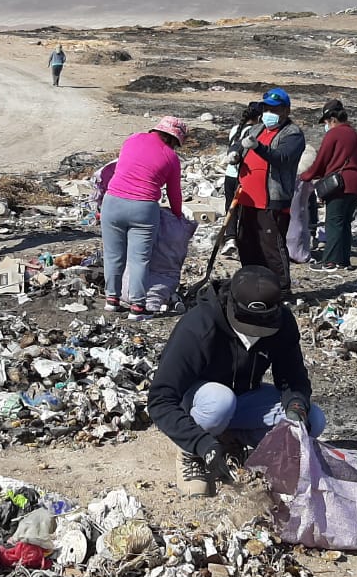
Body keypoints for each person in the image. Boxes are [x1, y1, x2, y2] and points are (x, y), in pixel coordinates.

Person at [149, 266, 326, 497]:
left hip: (244, 397)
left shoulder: (283, 323)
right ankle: (190, 452)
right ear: (231, 305)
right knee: (219, 402)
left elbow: (293, 377)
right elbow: (160, 399)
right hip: (201, 403)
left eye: (262, 328)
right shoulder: (200, 325)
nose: (254, 334)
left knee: (314, 420)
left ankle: (231, 439)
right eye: (248, 327)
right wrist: (202, 443)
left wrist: (296, 407)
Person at [101, 116, 186, 321]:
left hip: (112, 202)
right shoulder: (171, 157)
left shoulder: (132, 139)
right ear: (174, 139)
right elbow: (174, 193)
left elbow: (118, 168)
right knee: (139, 259)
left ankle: (111, 300)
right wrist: (178, 215)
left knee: (113, 255)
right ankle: (137, 307)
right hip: (143, 209)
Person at [228, 87, 305, 296]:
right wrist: (235, 153)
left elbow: (282, 159)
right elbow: (238, 146)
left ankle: (280, 288)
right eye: (267, 108)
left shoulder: (293, 134)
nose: (270, 113)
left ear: (286, 111)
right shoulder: (257, 129)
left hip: (271, 199)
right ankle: (252, 284)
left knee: (271, 246)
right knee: (246, 243)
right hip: (246, 198)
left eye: (275, 109)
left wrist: (258, 148)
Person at [300, 101, 357, 270]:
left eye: (325, 122)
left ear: (331, 119)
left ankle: (330, 261)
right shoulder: (354, 134)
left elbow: (321, 161)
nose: (325, 125)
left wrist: (305, 176)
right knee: (344, 223)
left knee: (334, 222)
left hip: (341, 184)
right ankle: (343, 260)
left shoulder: (334, 134)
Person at [221, 101, 262, 254]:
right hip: (244, 176)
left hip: (230, 174)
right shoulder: (255, 132)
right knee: (245, 208)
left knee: (230, 207)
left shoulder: (234, 130)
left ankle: (230, 238)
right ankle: (243, 239)